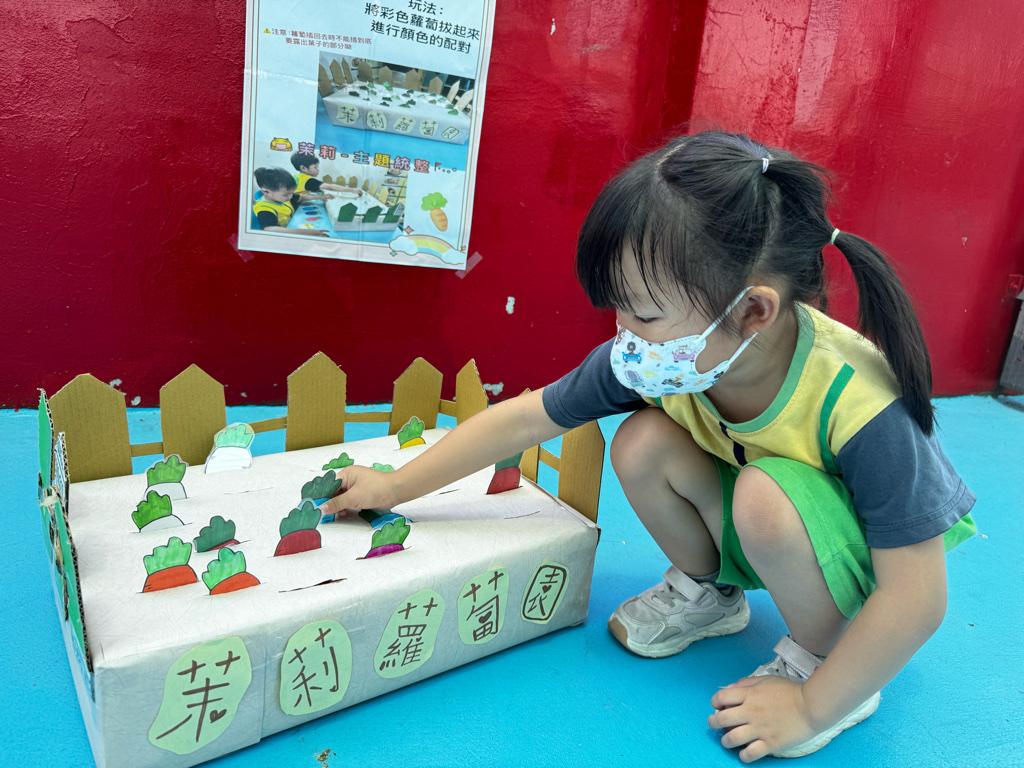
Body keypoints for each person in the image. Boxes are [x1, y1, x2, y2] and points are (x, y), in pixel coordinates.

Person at [318, 130, 977, 761]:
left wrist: (810, 708)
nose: (624, 334)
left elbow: (916, 598)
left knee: (764, 495)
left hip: (849, 569)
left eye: (645, 313)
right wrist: (395, 486)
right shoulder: (661, 356)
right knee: (641, 443)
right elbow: (524, 421)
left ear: (754, 311)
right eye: (620, 307)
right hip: (761, 529)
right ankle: (710, 594)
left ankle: (825, 658)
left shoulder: (860, 403)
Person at [252, 167, 332, 237]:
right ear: (266, 192)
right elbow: (270, 229)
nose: (291, 196)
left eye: (291, 193)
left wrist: (320, 197)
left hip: (291, 224)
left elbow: (301, 197)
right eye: (286, 194)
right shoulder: (264, 209)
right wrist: (306, 232)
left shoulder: (281, 197)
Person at [289, 152, 364, 197]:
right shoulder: (308, 180)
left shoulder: (296, 176)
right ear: (303, 168)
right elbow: (329, 187)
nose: (318, 170)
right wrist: (352, 190)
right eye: (315, 167)